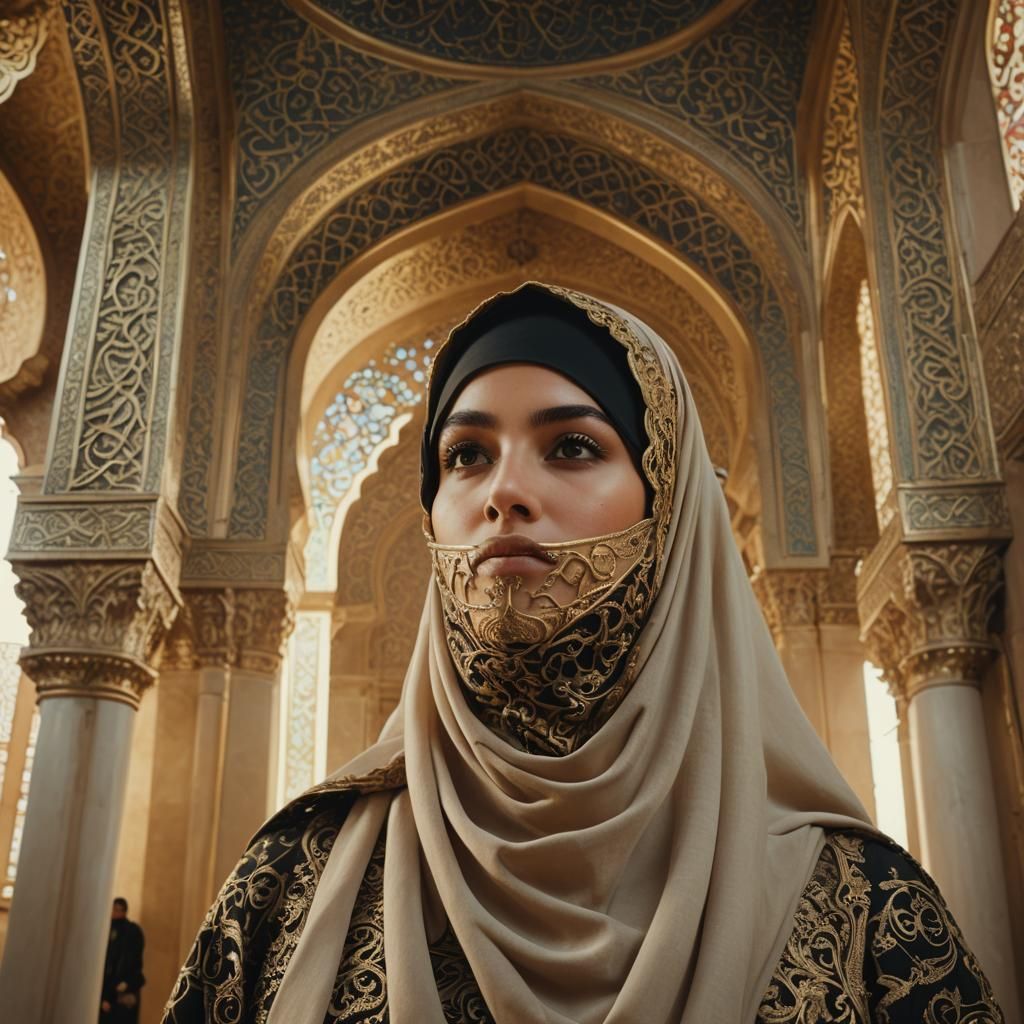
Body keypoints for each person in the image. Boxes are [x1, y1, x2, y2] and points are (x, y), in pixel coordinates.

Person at [164, 283, 1004, 1022]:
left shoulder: (866, 914)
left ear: (671, 509)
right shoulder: (289, 888)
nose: (504, 494)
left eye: (572, 446)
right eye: (465, 456)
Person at [101, 897, 145, 1023]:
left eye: (117, 910)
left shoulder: (131, 932)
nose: (114, 913)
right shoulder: (108, 928)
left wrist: (109, 996)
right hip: (112, 989)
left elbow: (129, 963)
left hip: (123, 989)